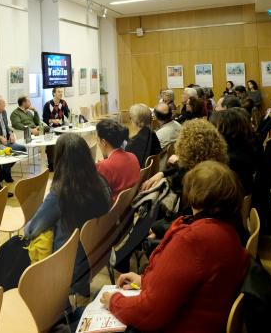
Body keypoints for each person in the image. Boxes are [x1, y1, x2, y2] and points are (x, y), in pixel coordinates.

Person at [101, 161, 250, 333]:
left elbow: (150, 313)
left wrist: (114, 301)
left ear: (194, 194)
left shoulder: (192, 240)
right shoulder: (229, 233)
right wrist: (144, 281)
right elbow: (188, 286)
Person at [24, 133, 111, 299]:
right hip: (95, 255)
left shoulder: (60, 193)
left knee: (16, 247)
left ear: (60, 159)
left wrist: (28, 227)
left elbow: (32, 230)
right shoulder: (101, 182)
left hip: (68, 265)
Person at [210, 108, 256, 194]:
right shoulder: (244, 147)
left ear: (227, 130)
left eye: (216, 127)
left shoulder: (232, 160)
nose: (214, 131)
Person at [95, 119, 139, 201]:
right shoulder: (133, 156)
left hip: (116, 211)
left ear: (104, 142)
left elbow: (99, 198)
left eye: (97, 139)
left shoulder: (103, 166)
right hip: (132, 205)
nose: (97, 143)